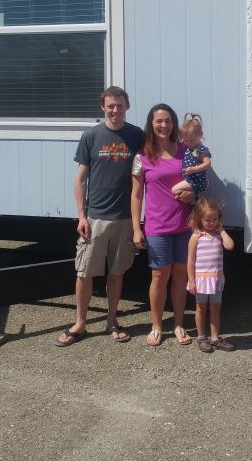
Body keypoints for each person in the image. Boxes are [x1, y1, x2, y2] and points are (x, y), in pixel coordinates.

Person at [56, 86, 143, 347]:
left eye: (119, 105)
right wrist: (81, 215)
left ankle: (112, 320)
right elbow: (80, 178)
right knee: (85, 272)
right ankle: (80, 323)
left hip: (125, 218)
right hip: (95, 217)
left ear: (127, 106)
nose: (115, 110)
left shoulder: (137, 136)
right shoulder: (92, 135)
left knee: (117, 272)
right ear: (103, 107)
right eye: (110, 106)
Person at [131, 103, 196, 347]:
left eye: (168, 120)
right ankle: (157, 325)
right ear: (151, 123)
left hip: (184, 225)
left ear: (173, 123)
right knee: (159, 275)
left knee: (181, 275)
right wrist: (137, 228)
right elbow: (136, 194)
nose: (163, 125)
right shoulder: (142, 156)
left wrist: (194, 193)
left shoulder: (185, 151)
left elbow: (200, 179)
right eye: (159, 120)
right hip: (157, 226)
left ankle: (178, 324)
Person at [185, 198, 236, 352]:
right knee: (201, 308)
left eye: (214, 219)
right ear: (199, 219)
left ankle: (215, 338)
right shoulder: (196, 236)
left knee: (215, 308)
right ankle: (201, 337)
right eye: (207, 220)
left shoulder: (219, 235)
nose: (212, 223)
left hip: (216, 279)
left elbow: (230, 245)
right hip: (201, 280)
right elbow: (190, 260)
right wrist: (191, 280)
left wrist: (221, 230)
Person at [171, 113, 211, 199]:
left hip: (196, 180)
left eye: (191, 140)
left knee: (174, 190)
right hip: (191, 179)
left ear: (200, 135)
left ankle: (197, 190)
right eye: (185, 140)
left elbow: (208, 163)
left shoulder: (200, 149)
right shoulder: (190, 148)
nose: (188, 143)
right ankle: (193, 196)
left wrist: (194, 169)